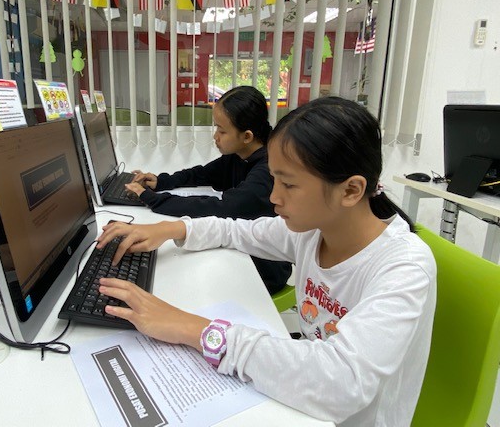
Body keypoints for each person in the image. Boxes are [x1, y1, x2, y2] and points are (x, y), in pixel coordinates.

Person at [95, 97, 437, 426]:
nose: (274, 197)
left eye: (288, 184)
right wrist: (171, 229)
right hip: (302, 401)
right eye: (275, 180)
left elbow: (340, 384)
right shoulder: (314, 231)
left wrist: (191, 328)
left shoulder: (403, 267)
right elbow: (236, 231)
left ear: (350, 190)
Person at [126, 85, 291, 294]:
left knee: (184, 278)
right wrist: (161, 182)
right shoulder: (239, 156)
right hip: (240, 250)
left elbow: (223, 207)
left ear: (247, 136)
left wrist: (153, 199)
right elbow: (202, 173)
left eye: (222, 131)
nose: (215, 136)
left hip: (264, 270)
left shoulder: (267, 170)